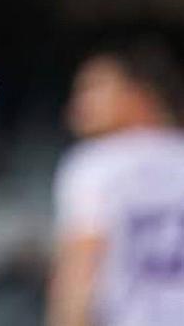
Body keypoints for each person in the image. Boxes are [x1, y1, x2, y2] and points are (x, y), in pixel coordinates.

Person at [47, 32, 184, 326]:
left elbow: (79, 275)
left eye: (94, 88)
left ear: (140, 93)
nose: (78, 104)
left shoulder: (98, 164)